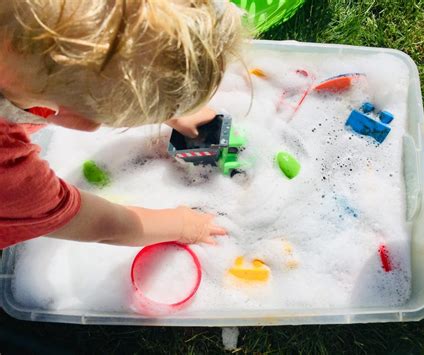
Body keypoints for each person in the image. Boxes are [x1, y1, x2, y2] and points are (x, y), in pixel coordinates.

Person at [0, 0, 242, 248]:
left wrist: (167, 110)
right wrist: (183, 225)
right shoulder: (11, 175)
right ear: (86, 123)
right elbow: (103, 225)